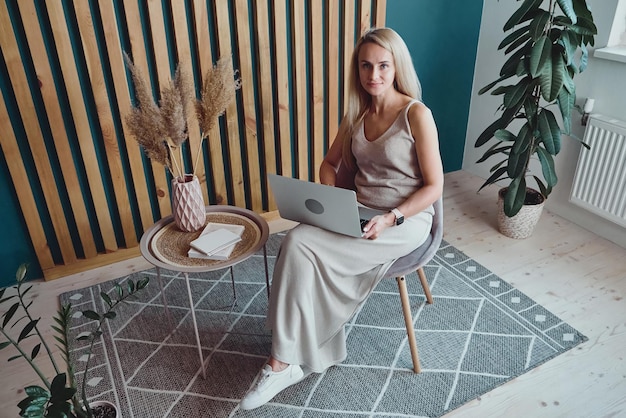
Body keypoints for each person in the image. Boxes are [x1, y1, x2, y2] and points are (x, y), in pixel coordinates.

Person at [239, 27, 444, 410]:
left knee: (305, 247)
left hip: (405, 221)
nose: (374, 75)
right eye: (366, 66)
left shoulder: (416, 114)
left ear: (397, 66)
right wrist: (332, 196)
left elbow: (434, 187)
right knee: (297, 241)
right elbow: (329, 164)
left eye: (383, 65)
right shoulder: (357, 115)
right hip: (361, 212)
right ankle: (286, 359)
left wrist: (391, 217)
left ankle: (282, 360)